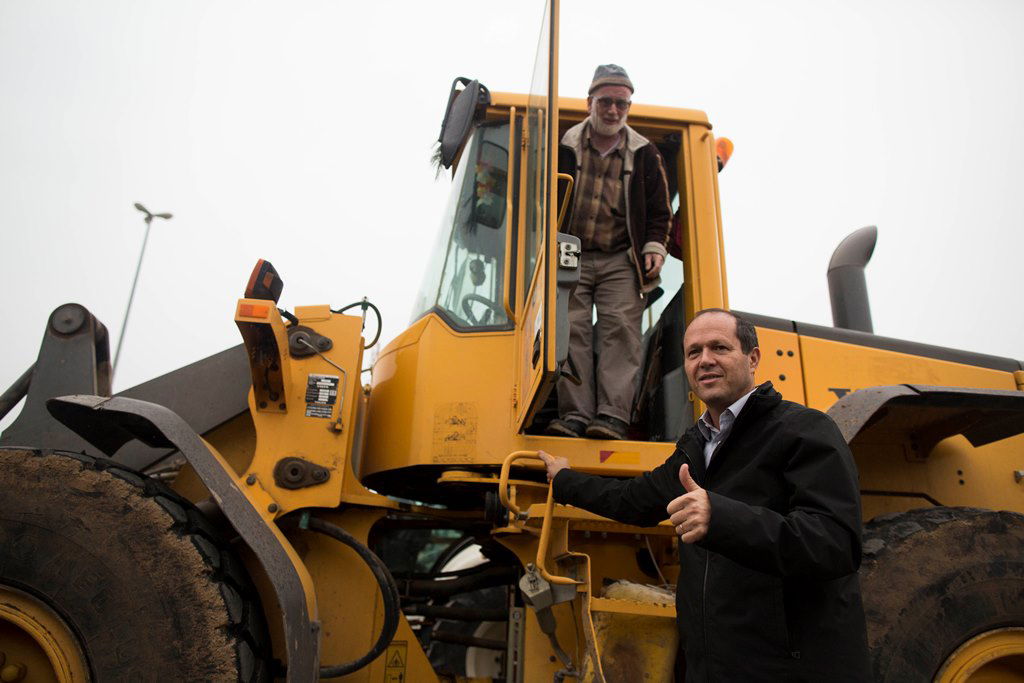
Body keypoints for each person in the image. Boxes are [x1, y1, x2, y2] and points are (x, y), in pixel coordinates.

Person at [539, 309, 870, 681]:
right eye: (693, 352)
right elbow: (631, 500)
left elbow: (835, 543)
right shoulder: (695, 447)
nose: (705, 360)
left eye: (719, 347)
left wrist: (720, 517)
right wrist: (564, 479)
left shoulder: (805, 430)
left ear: (753, 358)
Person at [545, 64, 672, 441]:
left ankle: (613, 416)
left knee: (620, 332)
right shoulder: (563, 146)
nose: (614, 110)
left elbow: (660, 210)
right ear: (590, 102)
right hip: (571, 253)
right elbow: (542, 199)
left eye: (622, 103)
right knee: (571, 333)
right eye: (606, 102)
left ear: (628, 107)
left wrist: (654, 248)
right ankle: (575, 416)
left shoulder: (645, 154)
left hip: (620, 258)